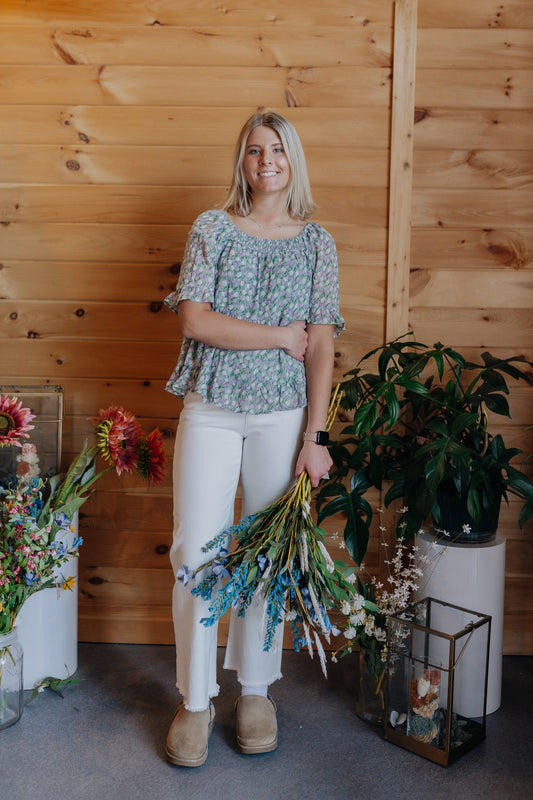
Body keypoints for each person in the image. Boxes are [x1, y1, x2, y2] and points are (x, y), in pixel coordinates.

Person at [163, 110, 344, 767]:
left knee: (266, 554)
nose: (264, 160)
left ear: (292, 159)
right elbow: (194, 321)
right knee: (197, 551)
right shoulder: (212, 228)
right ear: (241, 162)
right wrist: (277, 336)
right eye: (252, 151)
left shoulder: (316, 242)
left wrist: (315, 435)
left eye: (276, 149)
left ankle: (255, 690)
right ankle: (195, 698)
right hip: (211, 408)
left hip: (281, 416)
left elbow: (320, 343)